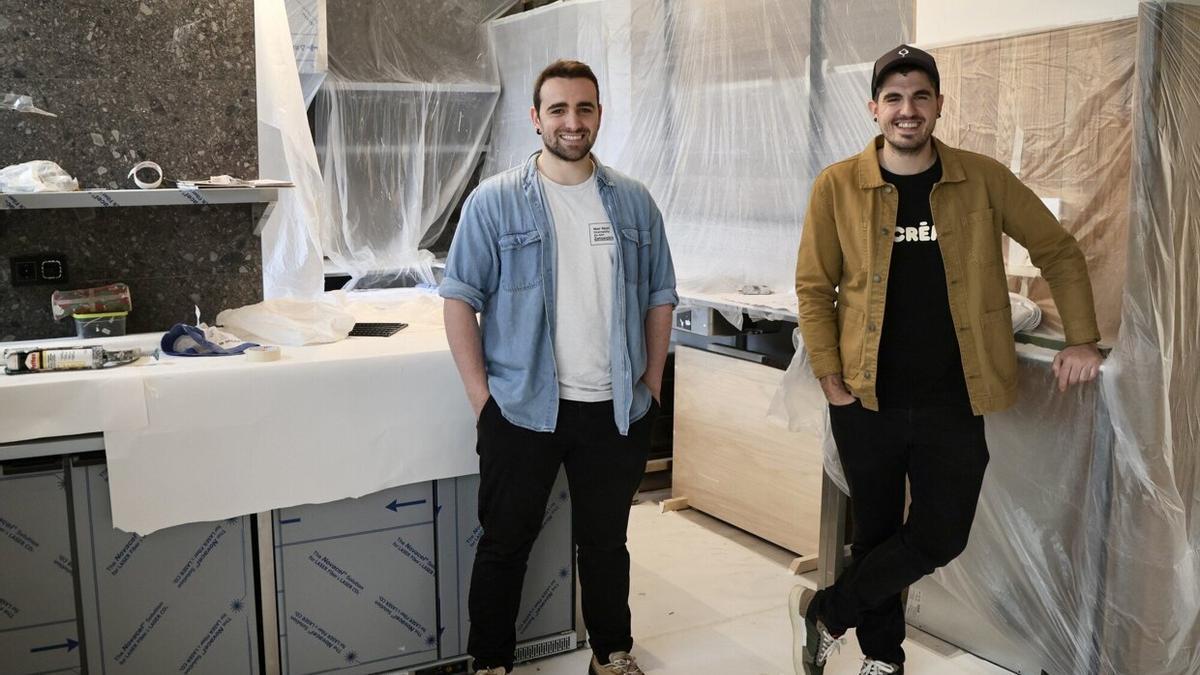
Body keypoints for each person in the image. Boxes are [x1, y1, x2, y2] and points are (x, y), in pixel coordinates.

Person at [790, 44, 1104, 675]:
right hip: (866, 398)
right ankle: (884, 659)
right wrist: (829, 378)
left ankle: (829, 610)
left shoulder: (980, 179)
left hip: (954, 400)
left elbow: (1059, 251)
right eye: (895, 99)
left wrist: (1083, 337)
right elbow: (813, 287)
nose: (908, 111)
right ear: (875, 109)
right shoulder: (838, 185)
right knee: (875, 536)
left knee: (941, 534)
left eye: (921, 97)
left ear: (938, 105)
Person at [439, 59, 678, 675]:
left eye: (585, 108)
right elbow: (460, 298)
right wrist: (482, 402)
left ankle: (611, 654)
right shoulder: (493, 202)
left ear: (599, 114)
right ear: (536, 117)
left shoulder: (632, 201)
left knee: (606, 544)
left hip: (615, 408)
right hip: (523, 407)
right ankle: (491, 662)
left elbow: (659, 295)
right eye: (559, 109)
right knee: (504, 544)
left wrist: (650, 382)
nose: (573, 122)